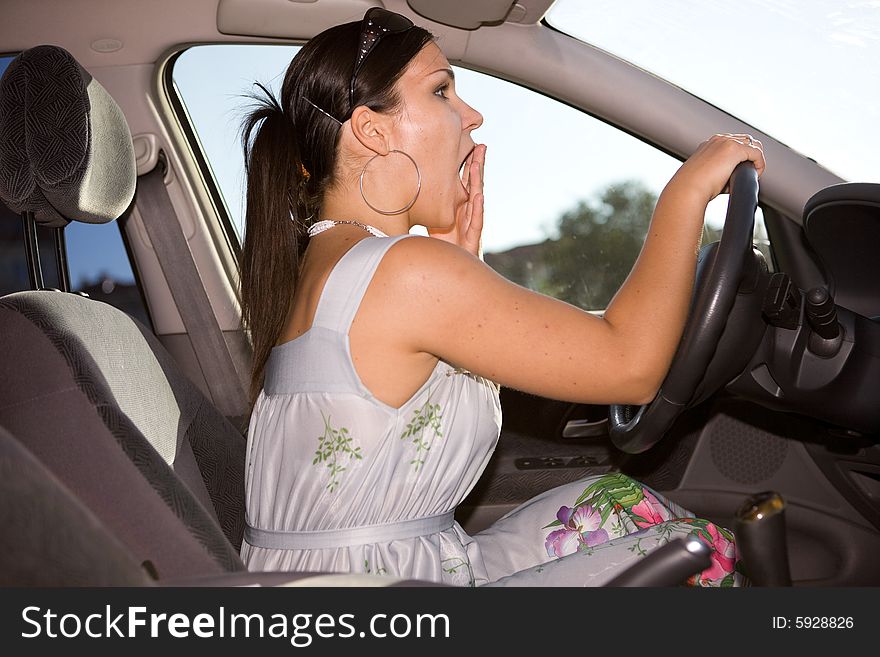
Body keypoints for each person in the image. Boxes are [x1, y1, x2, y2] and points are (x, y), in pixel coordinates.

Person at [238, 8, 765, 586]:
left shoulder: (327, 262)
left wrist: (460, 266)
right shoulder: (406, 272)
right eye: (441, 91)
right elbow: (631, 366)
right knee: (698, 552)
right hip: (374, 593)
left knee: (618, 502)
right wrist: (685, 195)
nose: (472, 115)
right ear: (372, 130)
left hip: (358, 572)